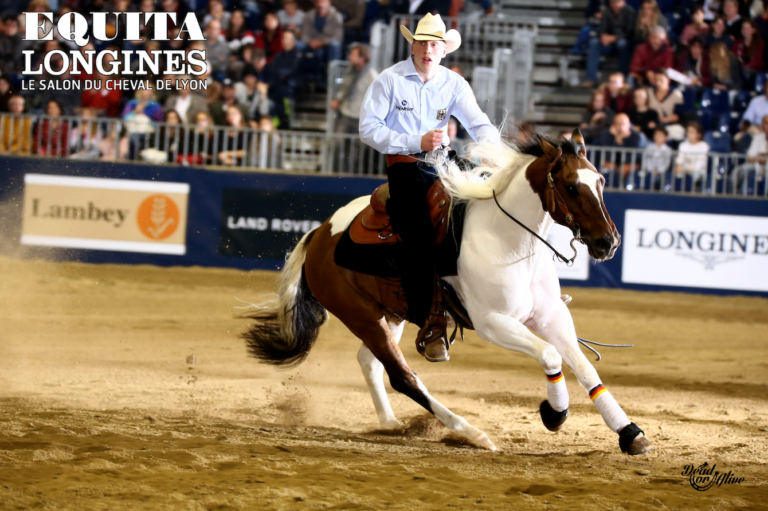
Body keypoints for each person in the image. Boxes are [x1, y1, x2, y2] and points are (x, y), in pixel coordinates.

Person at [359, 14, 501, 363]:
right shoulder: (389, 80)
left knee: (485, 208)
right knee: (419, 237)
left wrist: (494, 153)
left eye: (434, 44)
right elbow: (368, 129)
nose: (427, 49)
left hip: (443, 164)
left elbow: (479, 123)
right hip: (406, 168)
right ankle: (431, 322)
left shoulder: (454, 83)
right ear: (412, 45)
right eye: (422, 43)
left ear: (443, 50)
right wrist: (414, 139)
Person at [583, 0, 636, 87]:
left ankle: (622, 78)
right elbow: (602, 28)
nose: (615, 5)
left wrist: (615, 38)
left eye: (617, 2)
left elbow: (630, 32)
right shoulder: (607, 12)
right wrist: (603, 37)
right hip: (609, 43)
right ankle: (591, 78)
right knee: (594, 43)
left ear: (623, 1)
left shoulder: (629, 12)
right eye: (613, 2)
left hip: (622, 40)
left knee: (623, 44)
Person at [331, 44, 378, 134]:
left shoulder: (372, 77)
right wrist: (337, 99)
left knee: (356, 146)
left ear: (362, 58)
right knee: (337, 144)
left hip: (361, 117)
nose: (349, 57)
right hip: (345, 112)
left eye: (353, 55)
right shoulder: (349, 71)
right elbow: (344, 88)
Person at [301, 0, 344, 65]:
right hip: (312, 42)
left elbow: (337, 37)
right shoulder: (309, 15)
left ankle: (332, 72)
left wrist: (322, 42)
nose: (320, 5)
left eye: (323, 2)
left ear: (329, 2)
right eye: (318, 2)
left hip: (328, 43)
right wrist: (310, 42)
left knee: (335, 45)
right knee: (298, 45)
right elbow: (305, 34)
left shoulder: (337, 17)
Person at [733, 113, 768, 190]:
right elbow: (750, 157)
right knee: (737, 171)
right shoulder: (757, 138)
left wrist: (760, 156)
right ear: (762, 126)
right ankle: (736, 193)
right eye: (766, 123)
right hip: (756, 167)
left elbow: (755, 157)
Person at [647, 70, 684, 139]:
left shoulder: (676, 94)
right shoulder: (649, 93)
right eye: (656, 80)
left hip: (670, 126)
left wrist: (662, 120)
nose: (658, 83)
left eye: (661, 80)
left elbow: (678, 115)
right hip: (653, 127)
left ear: (668, 79)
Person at [674, 122, 710, 188]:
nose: (689, 134)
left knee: (691, 176)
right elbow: (680, 160)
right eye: (688, 132)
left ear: (699, 134)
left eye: (692, 132)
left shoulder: (703, 146)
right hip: (684, 170)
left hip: (698, 172)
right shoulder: (683, 145)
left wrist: (690, 170)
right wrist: (679, 168)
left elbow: (701, 163)